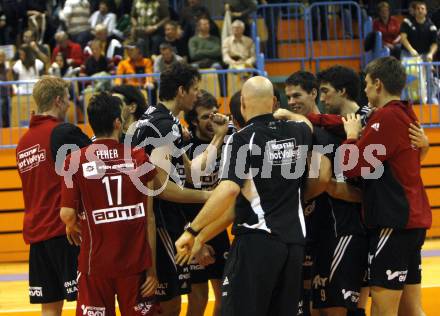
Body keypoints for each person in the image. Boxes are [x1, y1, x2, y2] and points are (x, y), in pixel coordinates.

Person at [174, 76, 331, 316]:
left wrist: (192, 230)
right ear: (274, 103)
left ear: (244, 104)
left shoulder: (242, 138)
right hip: (294, 245)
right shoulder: (298, 131)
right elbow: (306, 124)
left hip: (257, 243)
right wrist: (284, 115)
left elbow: (228, 190)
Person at [131, 62, 229, 316]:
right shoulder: (164, 126)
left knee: (170, 302)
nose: (198, 95)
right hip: (158, 220)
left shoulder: (160, 119)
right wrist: (211, 196)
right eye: (195, 89)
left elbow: (191, 171)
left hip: (162, 218)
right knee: (168, 304)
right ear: (181, 90)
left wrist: (218, 137)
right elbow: (163, 188)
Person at [341, 56, 431, 316]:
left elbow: (351, 167)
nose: (365, 90)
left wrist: (350, 137)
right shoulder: (406, 112)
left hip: (394, 223)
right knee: (411, 310)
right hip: (411, 223)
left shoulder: (386, 118)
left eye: (367, 84)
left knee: (382, 310)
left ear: (378, 84)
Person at [59, 92, 159, 315]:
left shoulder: (73, 160)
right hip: (135, 264)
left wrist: (72, 224)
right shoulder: (138, 156)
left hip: (95, 264)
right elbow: (149, 218)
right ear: (117, 122)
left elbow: (67, 214)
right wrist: (152, 270)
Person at [15, 76, 91, 316]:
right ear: (59, 100)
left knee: (49, 307)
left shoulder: (23, 143)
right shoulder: (62, 132)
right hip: (67, 232)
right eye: (68, 99)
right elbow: (96, 159)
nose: (69, 104)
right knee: (89, 300)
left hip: (37, 236)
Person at [182, 90, 232, 316]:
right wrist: (196, 241)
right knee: (199, 300)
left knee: (225, 299)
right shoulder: (186, 148)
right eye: (205, 117)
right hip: (191, 227)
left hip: (218, 226)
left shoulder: (230, 138)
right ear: (193, 121)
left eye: (215, 114)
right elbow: (183, 196)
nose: (212, 121)